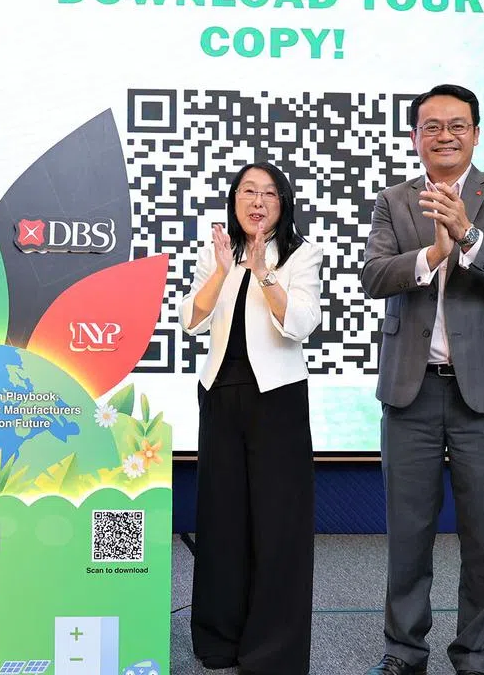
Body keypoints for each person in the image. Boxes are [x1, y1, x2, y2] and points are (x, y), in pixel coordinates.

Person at [360, 84, 484, 675]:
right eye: (431, 126)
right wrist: (432, 256)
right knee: (407, 534)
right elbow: (374, 275)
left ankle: (475, 655)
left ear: (476, 133)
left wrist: (467, 237)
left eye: (456, 125)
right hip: (412, 389)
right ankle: (405, 652)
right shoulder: (394, 200)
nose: (444, 135)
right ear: (416, 136)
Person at [180, 161, 323, 675]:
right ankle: (219, 641)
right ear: (234, 200)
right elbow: (191, 320)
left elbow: (300, 324)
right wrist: (223, 270)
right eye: (247, 191)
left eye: (268, 193)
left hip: (277, 400)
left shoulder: (302, 254)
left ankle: (272, 652)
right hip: (220, 394)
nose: (257, 201)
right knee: (221, 520)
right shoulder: (217, 252)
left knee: (277, 526)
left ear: (282, 204)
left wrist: (264, 273)